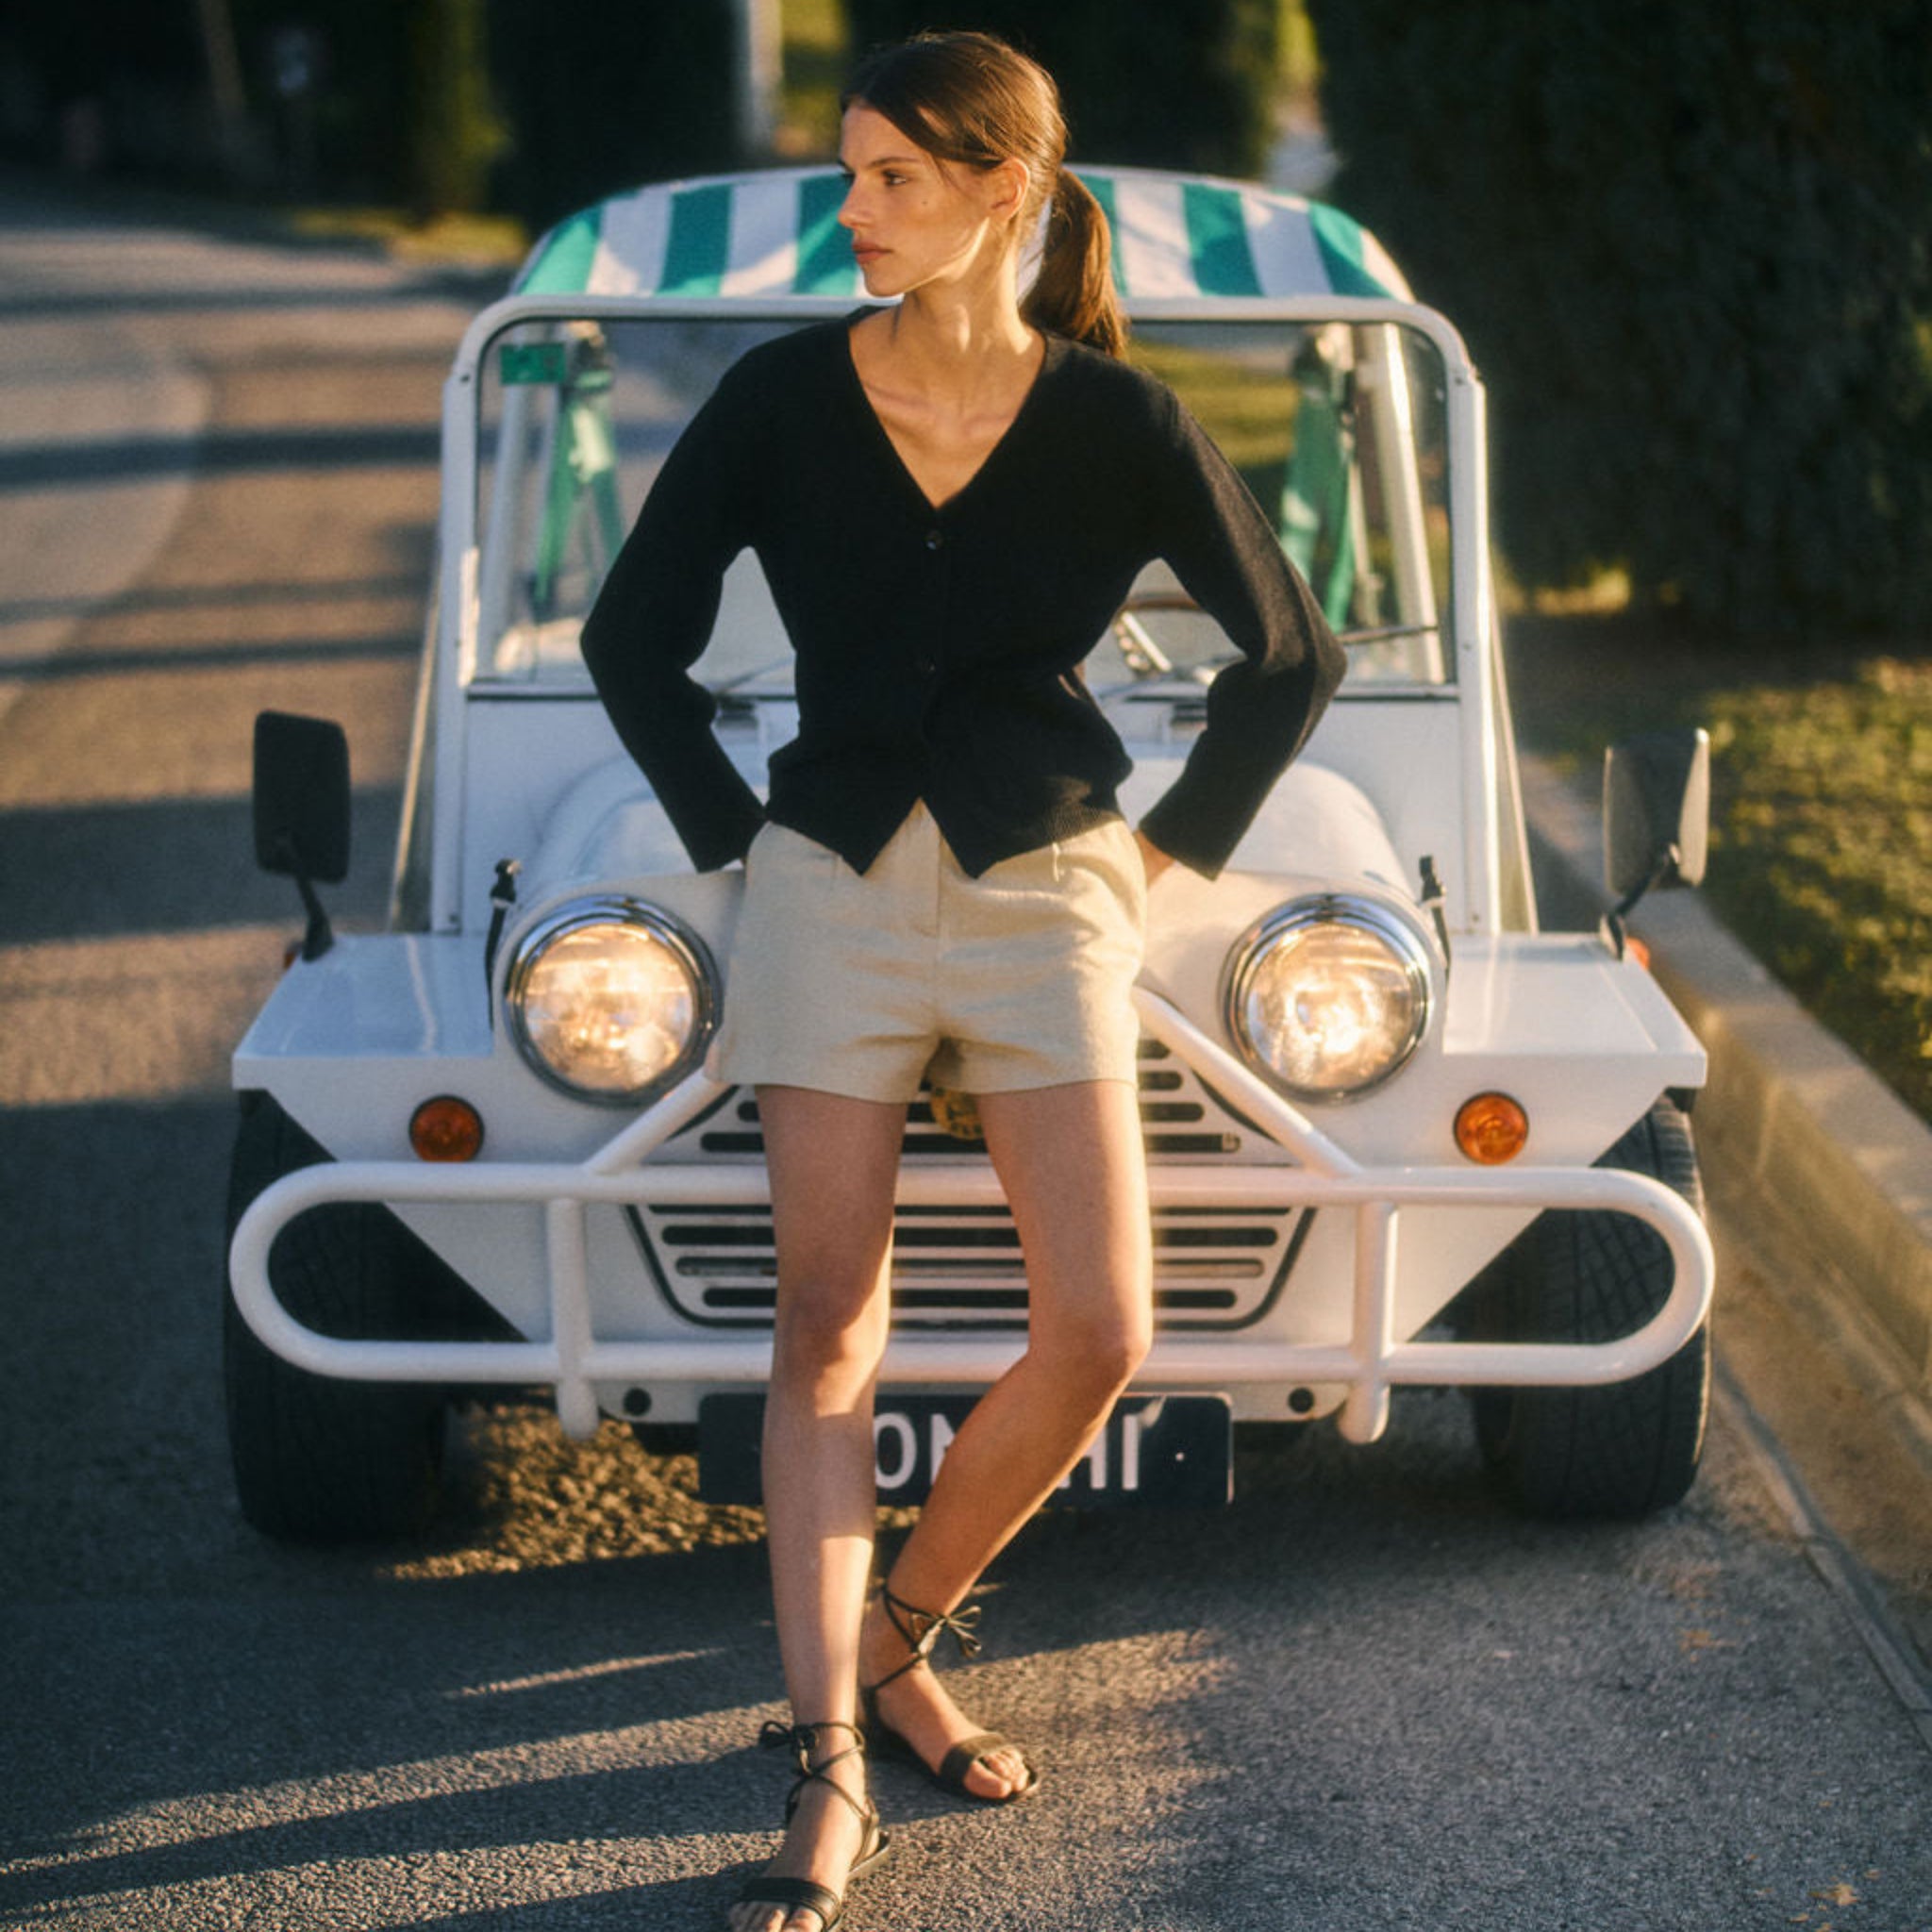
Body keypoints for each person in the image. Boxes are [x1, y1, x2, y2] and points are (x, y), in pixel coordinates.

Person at [579, 31, 1347, 1932]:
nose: (852, 211)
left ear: (1004, 187)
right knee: (824, 1334)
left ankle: (898, 1625)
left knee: (1101, 1326)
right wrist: (733, 836)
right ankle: (826, 1758)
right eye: (847, 175)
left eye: (892, 179)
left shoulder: (1118, 424)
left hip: (1046, 894)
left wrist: (1164, 860)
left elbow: (1287, 654)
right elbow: (632, 639)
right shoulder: (776, 398)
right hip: (823, 887)